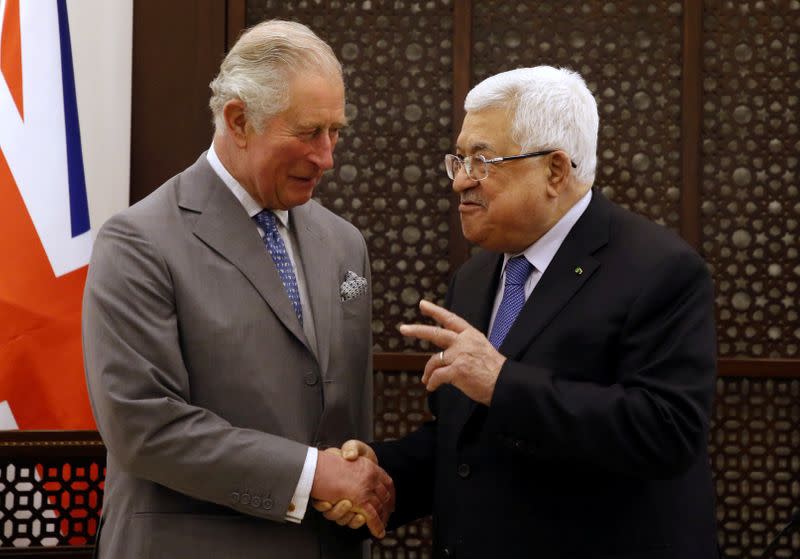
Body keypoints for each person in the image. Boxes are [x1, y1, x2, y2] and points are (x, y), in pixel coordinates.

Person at [320, 66, 720, 558]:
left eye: (483, 161)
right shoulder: (474, 277)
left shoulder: (660, 271)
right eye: (459, 159)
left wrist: (502, 382)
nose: (461, 181)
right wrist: (379, 475)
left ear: (555, 170)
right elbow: (466, 442)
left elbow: (666, 431)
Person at [82, 20, 393, 559]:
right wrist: (311, 475)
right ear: (238, 119)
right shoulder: (137, 241)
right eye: (308, 132)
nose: (327, 157)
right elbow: (142, 425)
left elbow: (346, 412)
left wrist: (352, 469)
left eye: (335, 131)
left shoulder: (345, 244)